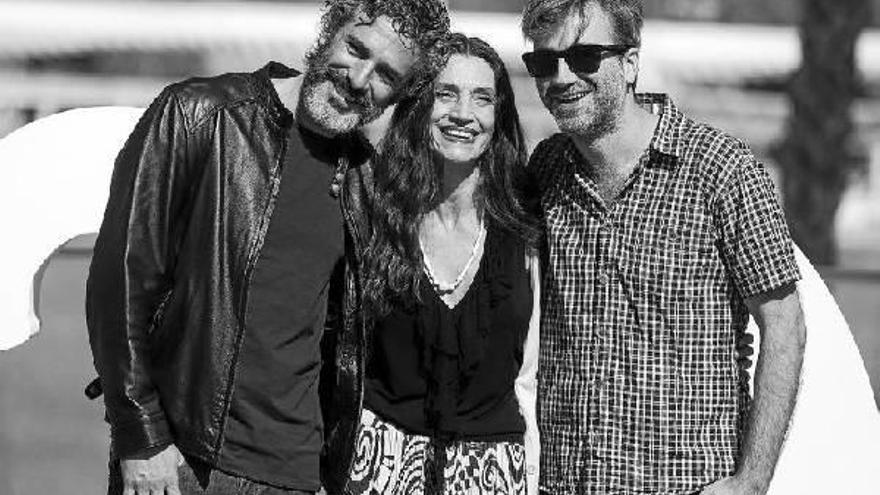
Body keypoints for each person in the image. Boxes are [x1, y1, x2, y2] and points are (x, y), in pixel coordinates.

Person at [85, 1, 449, 494]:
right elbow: (121, 283)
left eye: (386, 74)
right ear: (331, 29)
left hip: (296, 475)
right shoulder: (200, 114)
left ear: (397, 97)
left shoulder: (366, 177)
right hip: (181, 464)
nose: (360, 78)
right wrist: (139, 435)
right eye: (356, 48)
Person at [520, 1, 806, 494]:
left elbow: (785, 327)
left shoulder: (723, 169)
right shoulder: (546, 168)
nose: (562, 77)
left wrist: (751, 480)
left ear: (630, 63)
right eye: (544, 63)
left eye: (585, 56)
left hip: (686, 485)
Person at [341, 34, 543, 494]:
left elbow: (529, 376)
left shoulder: (527, 228)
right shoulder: (376, 212)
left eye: (482, 98)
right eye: (445, 94)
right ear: (420, 106)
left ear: (499, 116)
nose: (462, 115)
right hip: (376, 469)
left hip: (492, 474)